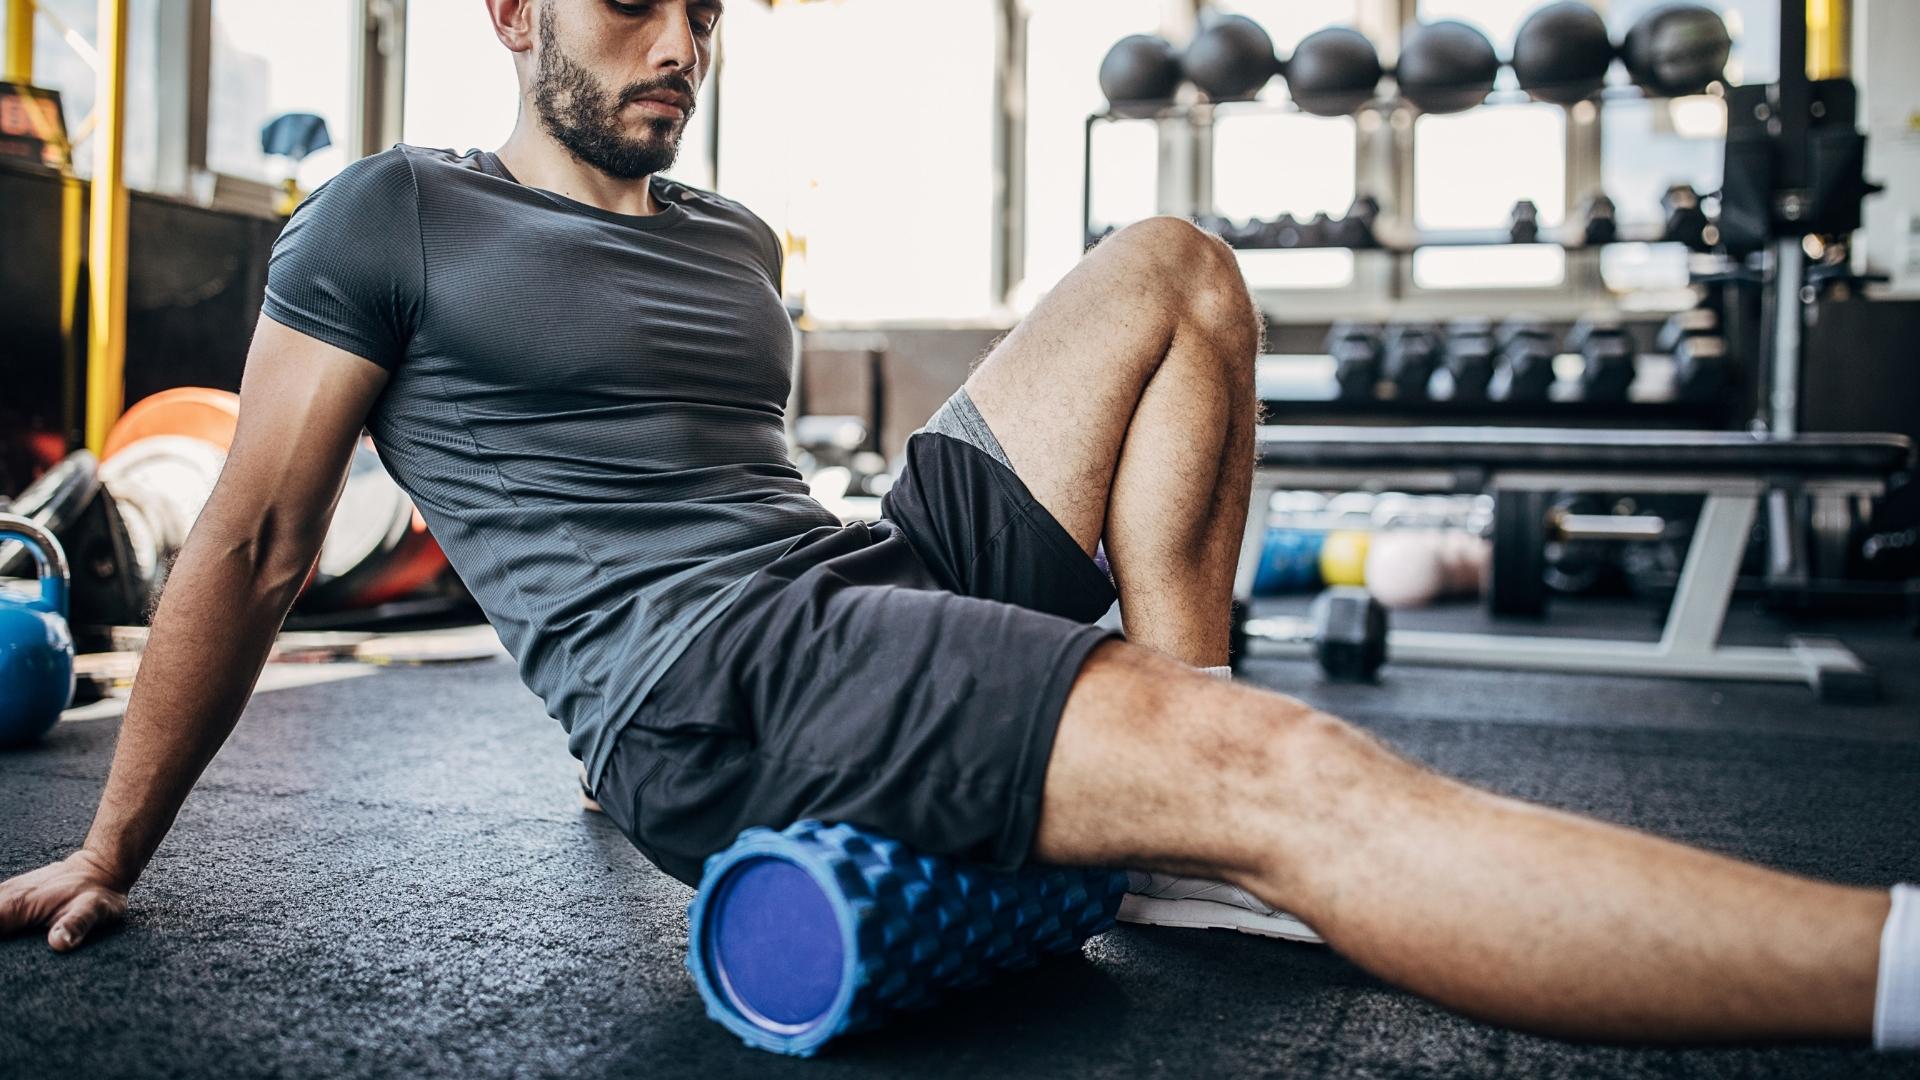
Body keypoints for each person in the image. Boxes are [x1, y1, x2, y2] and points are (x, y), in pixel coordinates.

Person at [1, 0, 1913, 1051]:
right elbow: (255, 538)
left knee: (1171, 265)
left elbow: (696, 475)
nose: (680, 42)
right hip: (721, 678)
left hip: (838, 575)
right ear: (511, 16)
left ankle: (1168, 822)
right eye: (631, 6)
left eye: (703, 9)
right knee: (1289, 771)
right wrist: (116, 842)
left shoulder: (738, 243)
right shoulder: (390, 215)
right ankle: (1888, 967)